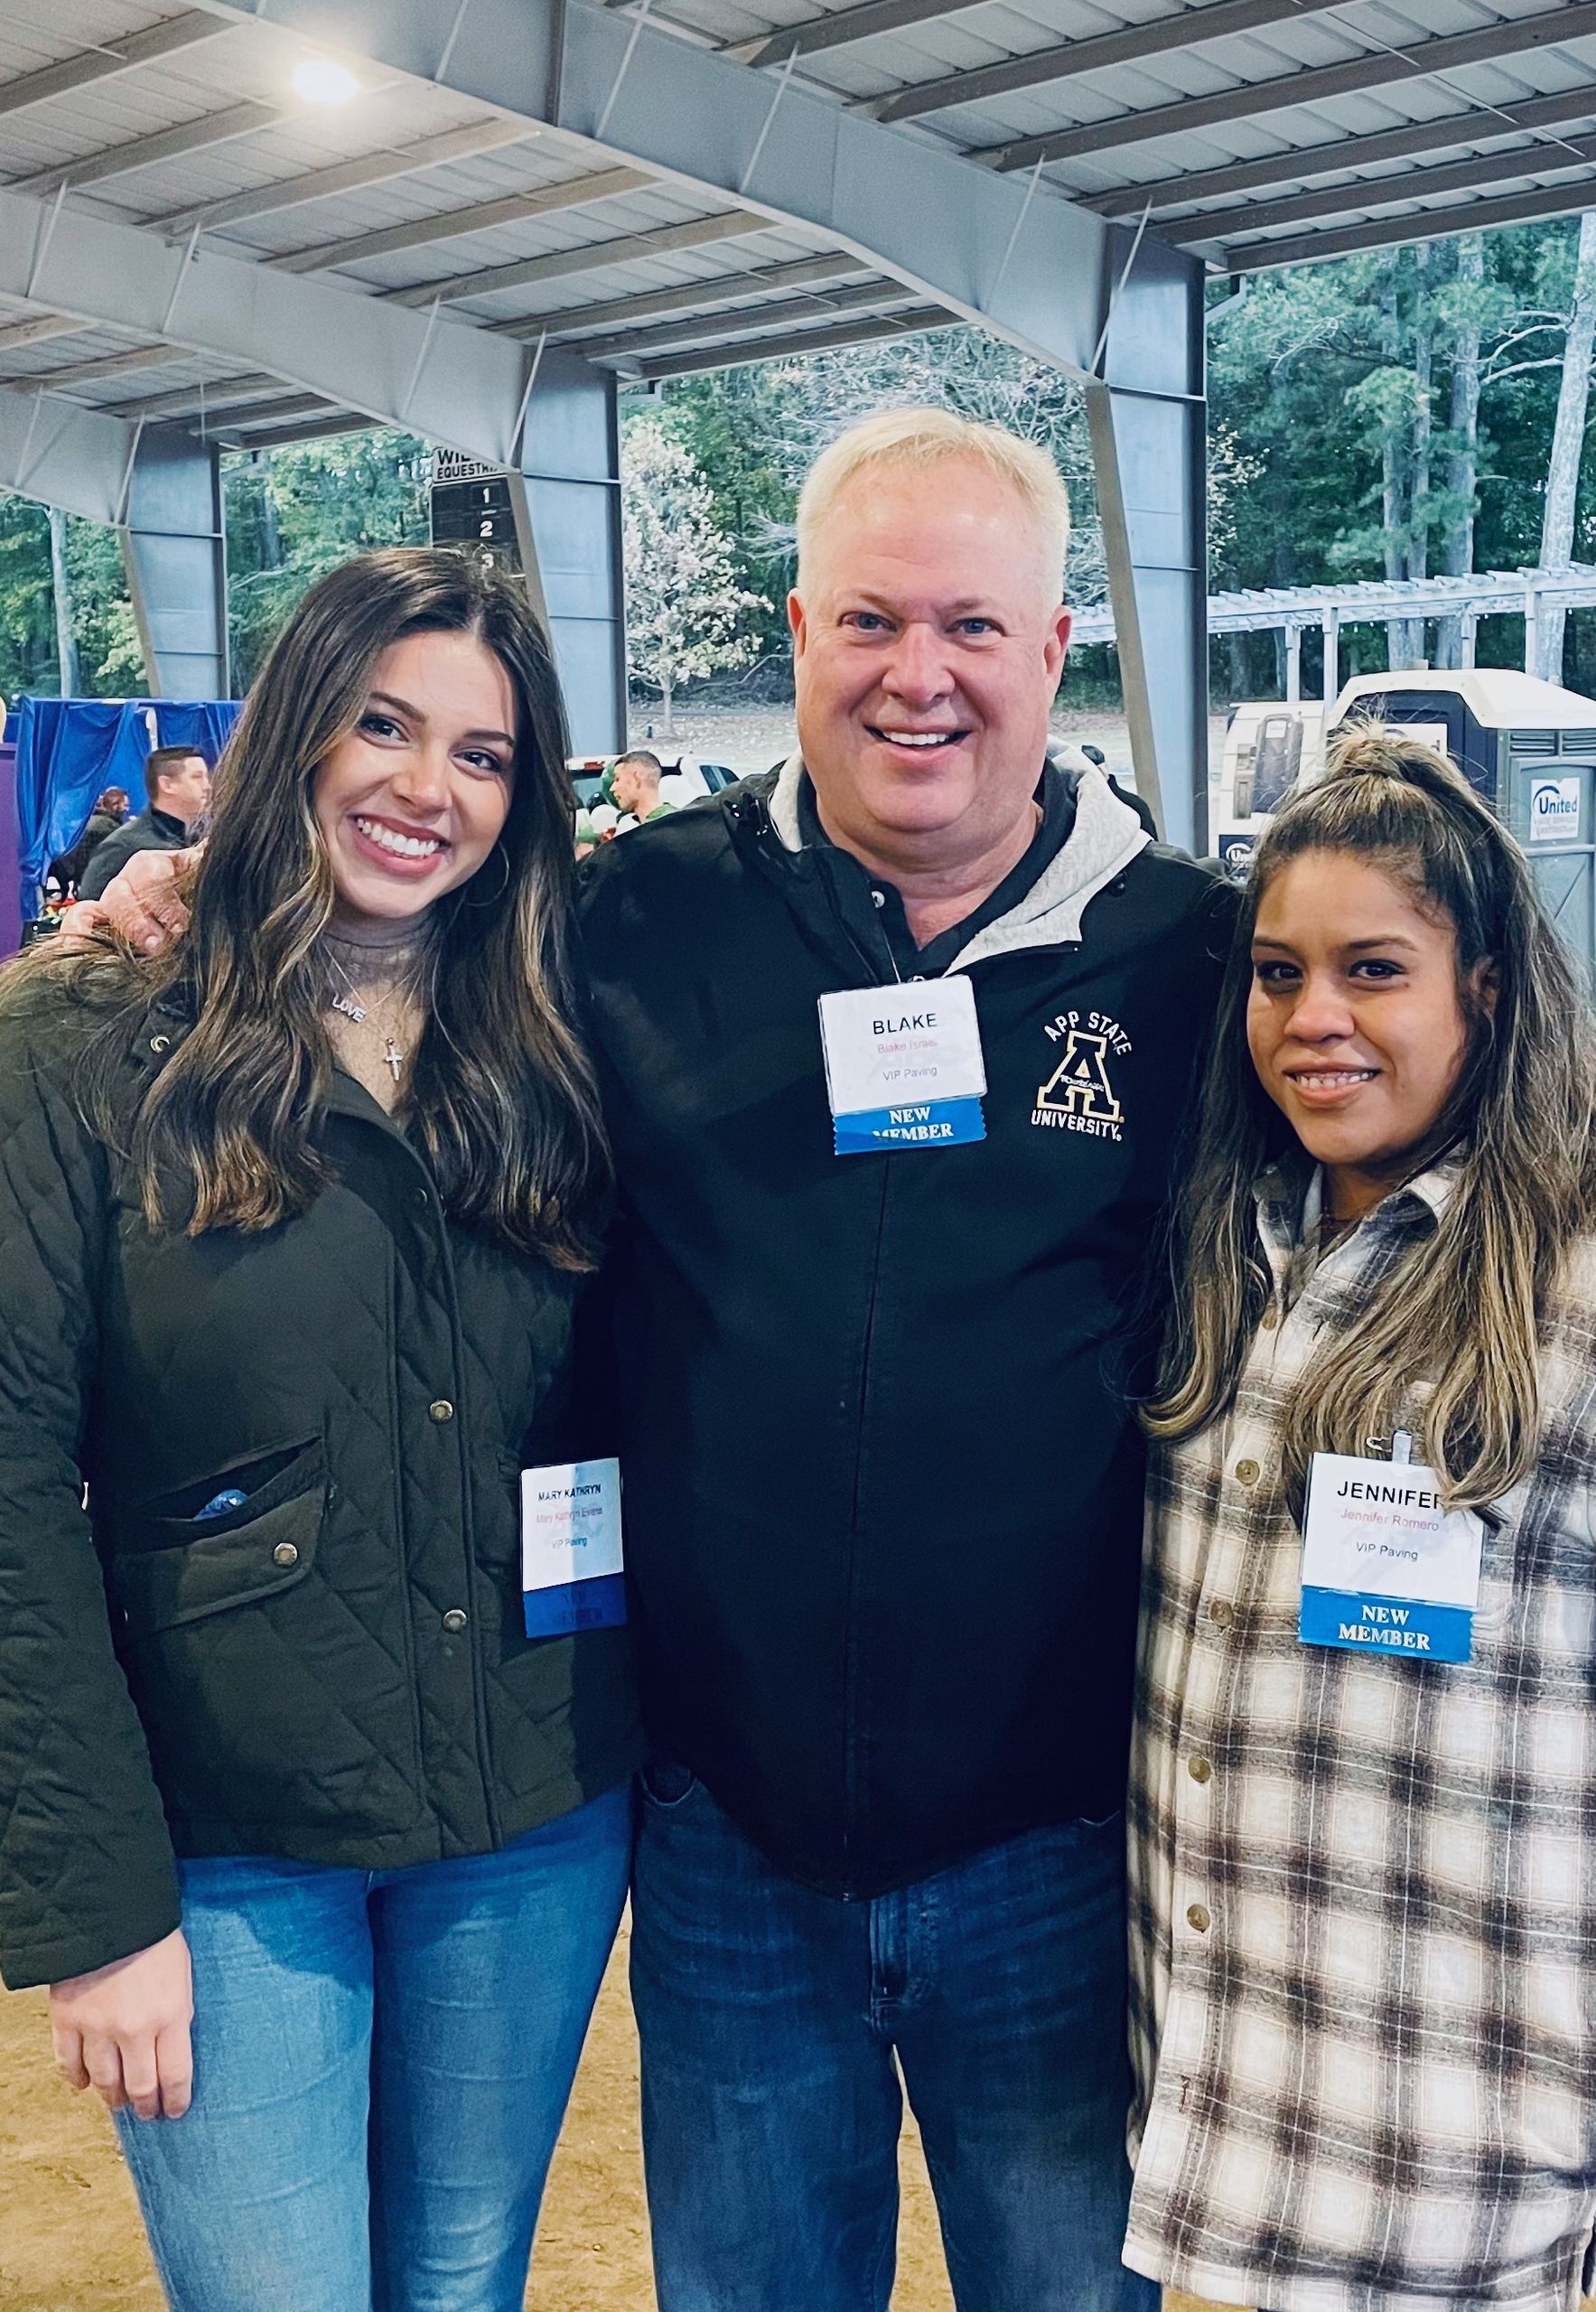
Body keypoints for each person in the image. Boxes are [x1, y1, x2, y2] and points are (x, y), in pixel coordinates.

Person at [89, 408, 1230, 2309]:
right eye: (870, 620)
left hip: (1058, 1846)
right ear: (797, 632)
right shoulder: (626, 918)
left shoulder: (1194, 955)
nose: (917, 673)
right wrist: (179, 907)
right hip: (725, 1851)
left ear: (1054, 647)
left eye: (970, 624)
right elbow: (373, 954)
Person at [0, 548, 637, 2312]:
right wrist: (96, 1903)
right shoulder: (82, 1035)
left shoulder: (558, 1022)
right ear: (295, 727)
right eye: (383, 723)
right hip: (224, 1831)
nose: (428, 788)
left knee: (461, 2282)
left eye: (486, 754)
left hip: (527, 1804)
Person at [1127, 724, 1596, 2311]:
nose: (1313, 1019)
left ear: (1484, 984)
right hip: (1222, 2129)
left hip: (1462, 2173)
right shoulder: (1228, 1237)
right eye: (1275, 973)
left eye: (1372, 969)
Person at [79, 746, 213, 900]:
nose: (207, 786)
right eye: (197, 777)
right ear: (167, 784)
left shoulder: (200, 841)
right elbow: (91, 908)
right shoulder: (124, 846)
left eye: (206, 777)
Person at [50, 783, 131, 894]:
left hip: (75, 878)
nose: (127, 809)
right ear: (116, 805)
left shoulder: (93, 822)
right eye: (126, 805)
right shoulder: (108, 828)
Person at [610, 748, 672, 827]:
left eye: (617, 779)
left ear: (636, 779)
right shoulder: (629, 827)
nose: (612, 788)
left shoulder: (671, 824)